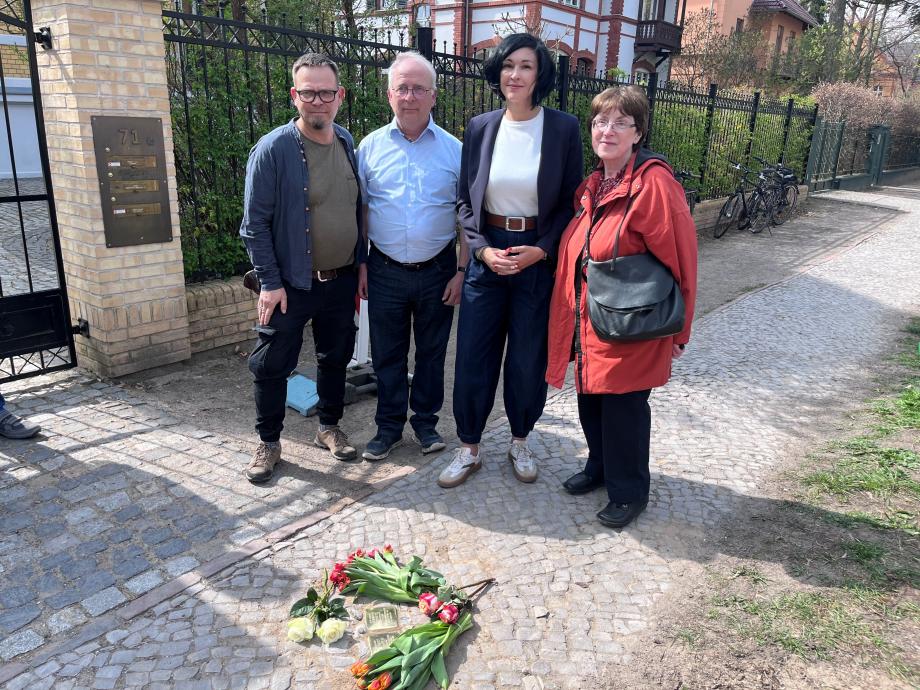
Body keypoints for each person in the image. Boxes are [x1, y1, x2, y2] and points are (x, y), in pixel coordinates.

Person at [546, 85, 698, 528]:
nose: (607, 130)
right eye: (599, 122)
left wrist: (680, 330)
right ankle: (600, 467)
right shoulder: (594, 185)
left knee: (624, 409)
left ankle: (629, 491)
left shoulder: (653, 185)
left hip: (634, 321)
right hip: (590, 320)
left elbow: (683, 260)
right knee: (591, 399)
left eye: (620, 122)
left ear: (638, 132)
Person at [438, 33, 583, 489]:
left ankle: (520, 439)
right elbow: (465, 201)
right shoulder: (481, 127)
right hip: (488, 255)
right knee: (474, 356)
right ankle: (469, 447)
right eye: (507, 65)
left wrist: (543, 248)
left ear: (539, 75)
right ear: (497, 72)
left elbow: (570, 202)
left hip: (537, 256)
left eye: (525, 66)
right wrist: (480, 249)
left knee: (525, 357)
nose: (515, 74)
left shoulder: (563, 129)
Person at [240, 53, 365, 484]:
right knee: (273, 363)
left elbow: (356, 210)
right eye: (308, 92)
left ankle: (328, 427)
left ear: (339, 96)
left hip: (341, 279)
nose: (318, 101)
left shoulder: (347, 142)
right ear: (295, 96)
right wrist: (270, 283)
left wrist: (360, 265)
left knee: (336, 358)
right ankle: (269, 442)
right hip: (291, 285)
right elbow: (253, 224)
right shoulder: (274, 149)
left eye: (326, 92)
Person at [357, 52, 465, 461]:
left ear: (433, 96)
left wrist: (460, 269)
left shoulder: (454, 151)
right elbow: (362, 210)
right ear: (389, 95)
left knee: (433, 353)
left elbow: (465, 215)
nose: (410, 95)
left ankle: (425, 424)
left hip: (438, 269)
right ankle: (387, 428)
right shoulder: (369, 148)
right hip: (383, 270)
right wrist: (363, 263)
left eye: (419, 88)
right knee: (387, 353)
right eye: (402, 87)